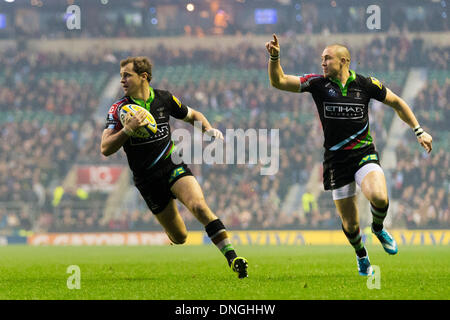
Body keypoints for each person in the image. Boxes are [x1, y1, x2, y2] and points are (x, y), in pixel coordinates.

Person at [266, 34, 433, 276]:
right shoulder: (317, 84)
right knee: (351, 224)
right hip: (336, 161)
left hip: (363, 153)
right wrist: (274, 56)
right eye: (321, 58)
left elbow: (397, 102)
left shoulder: (366, 85)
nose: (322, 62)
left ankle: (377, 228)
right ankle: (361, 255)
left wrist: (419, 131)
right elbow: (278, 81)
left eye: (327, 58)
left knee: (380, 198)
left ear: (344, 60)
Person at [100, 56, 248, 278]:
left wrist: (208, 130)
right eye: (121, 76)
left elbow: (192, 115)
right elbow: (105, 147)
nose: (122, 80)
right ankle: (174, 235)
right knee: (180, 236)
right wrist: (128, 129)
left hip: (172, 164)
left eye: (127, 75)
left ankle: (232, 258)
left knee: (198, 206)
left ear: (144, 77)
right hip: (147, 180)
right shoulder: (118, 110)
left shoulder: (163, 99)